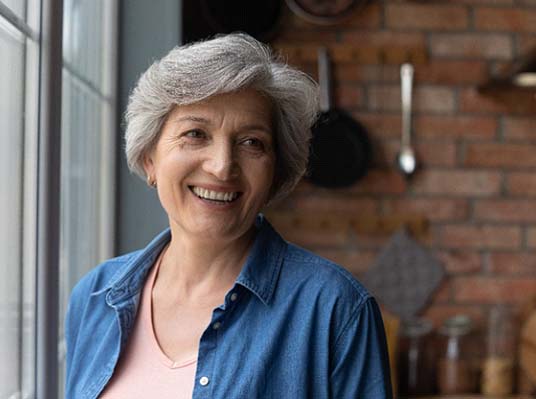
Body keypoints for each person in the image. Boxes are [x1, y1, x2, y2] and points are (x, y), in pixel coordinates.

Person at [65, 33, 392, 399]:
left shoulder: (336, 309)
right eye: (195, 133)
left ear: (275, 172)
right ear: (149, 158)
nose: (222, 167)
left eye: (252, 142)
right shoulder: (95, 297)